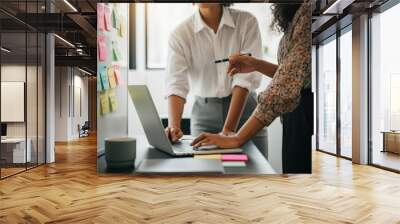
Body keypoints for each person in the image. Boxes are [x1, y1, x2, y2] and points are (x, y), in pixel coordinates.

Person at [192, 0, 312, 173]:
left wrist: (237, 137)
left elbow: (288, 82)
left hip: (304, 117)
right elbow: (295, 74)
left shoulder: (306, 12)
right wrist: (255, 64)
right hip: (294, 117)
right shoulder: (297, 13)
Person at [164, 3, 263, 142]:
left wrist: (228, 129)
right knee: (206, 164)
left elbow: (244, 79)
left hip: (246, 112)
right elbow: (176, 83)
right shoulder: (180, 33)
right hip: (204, 117)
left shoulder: (247, 21)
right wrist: (173, 127)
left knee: (254, 164)